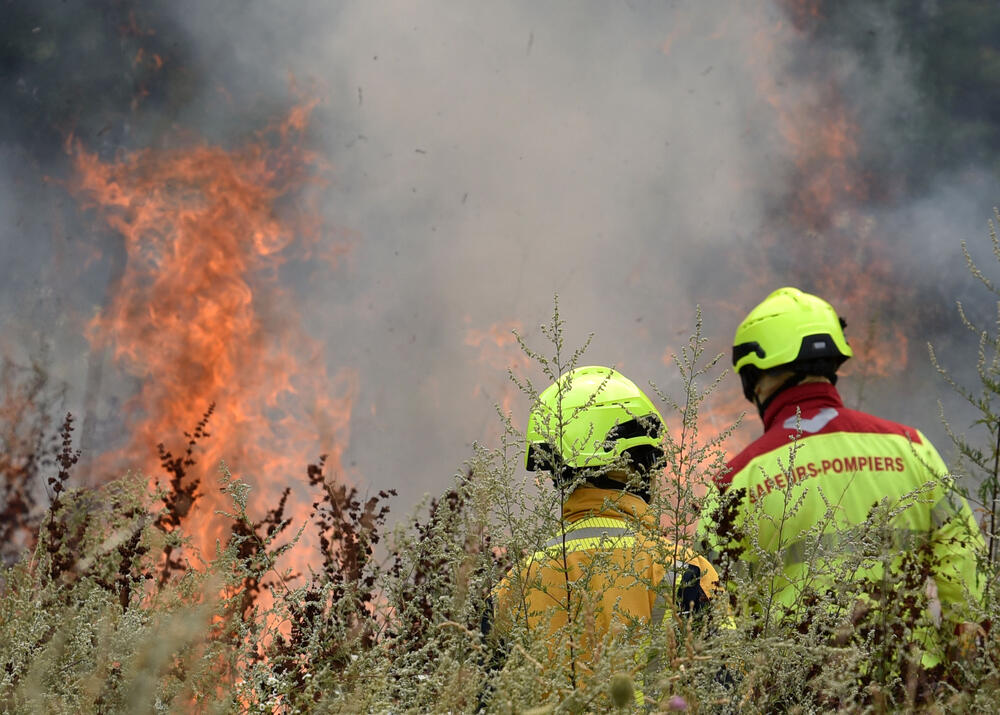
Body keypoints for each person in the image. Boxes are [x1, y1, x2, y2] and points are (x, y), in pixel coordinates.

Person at [699, 286, 983, 664]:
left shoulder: (737, 482)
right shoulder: (913, 449)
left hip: (793, 687)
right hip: (914, 684)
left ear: (754, 377)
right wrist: (966, 672)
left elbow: (705, 613)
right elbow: (967, 576)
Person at [491, 365, 718, 704]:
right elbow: (730, 689)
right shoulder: (687, 571)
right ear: (632, 467)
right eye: (652, 461)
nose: (656, 475)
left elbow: (480, 697)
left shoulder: (515, 587)